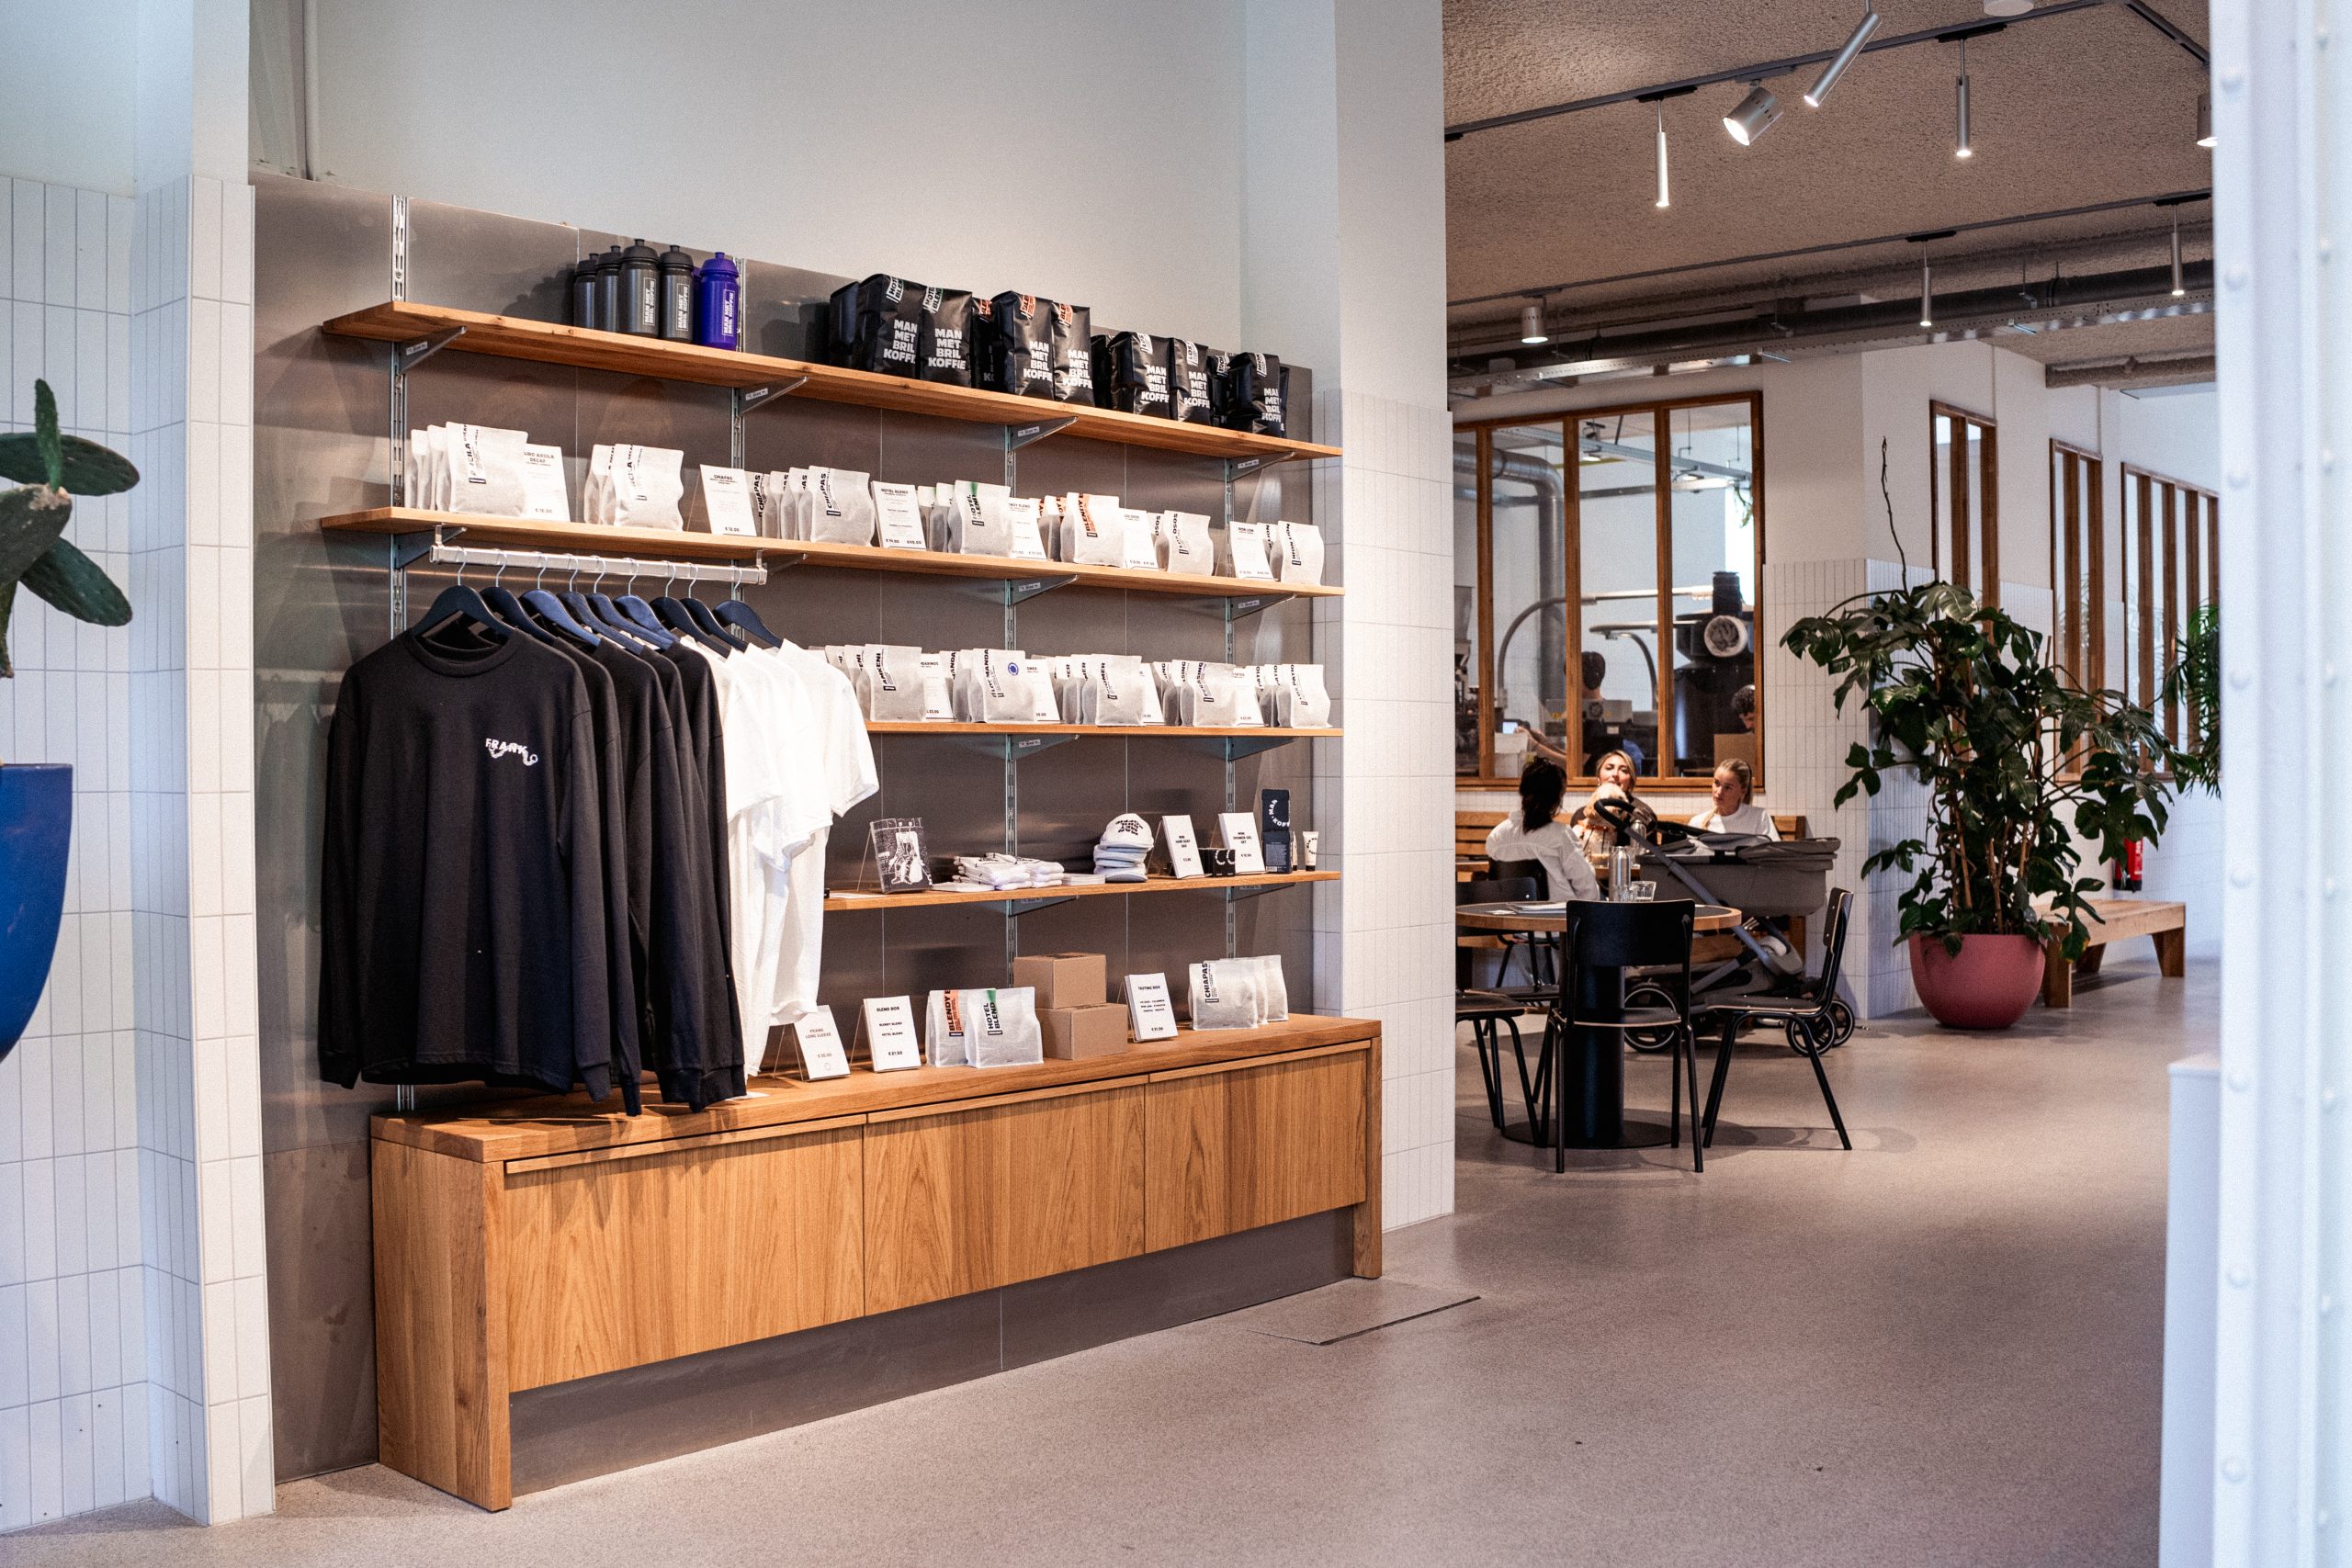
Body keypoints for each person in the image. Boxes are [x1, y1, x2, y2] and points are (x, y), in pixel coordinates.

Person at [1484, 757, 1600, 901]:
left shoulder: (1496, 837)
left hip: (1511, 914)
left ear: (1523, 791)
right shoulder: (1561, 836)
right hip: (1558, 913)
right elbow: (1588, 890)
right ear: (1557, 797)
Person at [1571, 750, 1650, 854]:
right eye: (1609, 768)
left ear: (1631, 782)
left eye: (1624, 770)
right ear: (1598, 778)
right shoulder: (1580, 815)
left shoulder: (1640, 815)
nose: (1615, 774)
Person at [1690, 758, 1780, 839]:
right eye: (1717, 783)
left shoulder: (1759, 817)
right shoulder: (1697, 822)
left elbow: (1773, 850)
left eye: (1728, 787)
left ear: (1743, 791)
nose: (1719, 792)